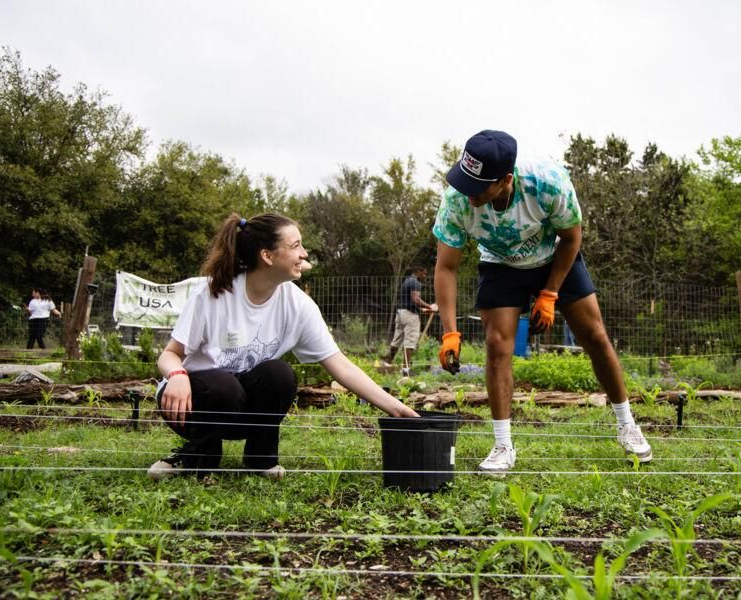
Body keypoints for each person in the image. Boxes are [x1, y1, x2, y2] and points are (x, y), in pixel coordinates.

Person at [432, 130, 652, 472]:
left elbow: (572, 238)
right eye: (466, 181)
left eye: (479, 186)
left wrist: (550, 293)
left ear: (505, 180)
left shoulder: (547, 182)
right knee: (497, 344)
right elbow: (446, 267)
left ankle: (627, 425)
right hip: (500, 263)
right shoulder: (458, 200)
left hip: (554, 256)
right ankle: (503, 446)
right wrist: (449, 332)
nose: (468, 192)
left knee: (594, 335)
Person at [149, 213, 419, 480]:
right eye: (295, 246)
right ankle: (195, 457)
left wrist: (397, 409)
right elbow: (169, 354)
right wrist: (177, 375)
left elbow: (342, 367)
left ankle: (260, 459)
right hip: (188, 404)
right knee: (224, 386)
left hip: (239, 410)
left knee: (279, 374)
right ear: (267, 256)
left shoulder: (297, 305)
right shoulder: (214, 294)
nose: (304, 254)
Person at [383, 266, 438, 375]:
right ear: (418, 271)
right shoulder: (416, 283)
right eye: (424, 273)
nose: (425, 276)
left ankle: (386, 365)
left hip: (400, 313)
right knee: (409, 343)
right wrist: (430, 306)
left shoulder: (406, 282)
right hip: (410, 316)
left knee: (396, 340)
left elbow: (408, 302)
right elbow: (415, 299)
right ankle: (406, 372)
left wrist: (422, 310)